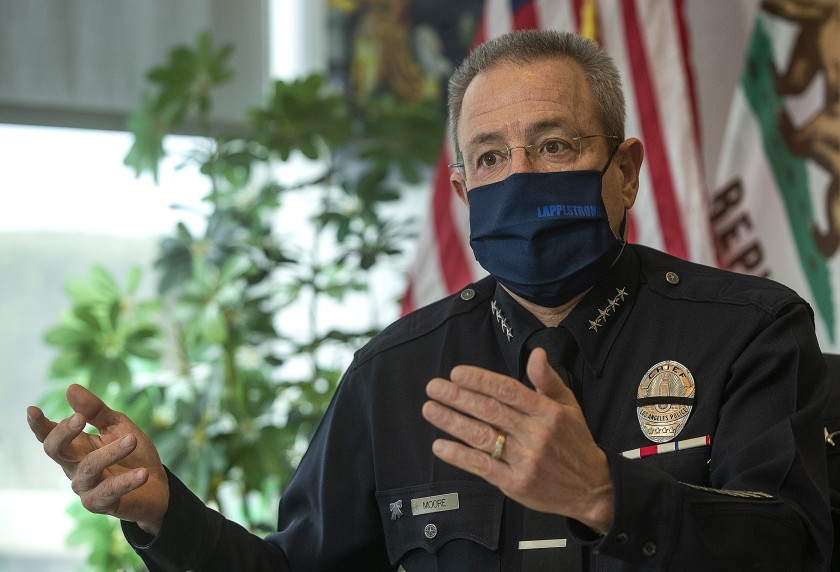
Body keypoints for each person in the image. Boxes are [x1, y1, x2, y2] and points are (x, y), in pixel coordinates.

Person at [27, 29, 832, 571]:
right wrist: (169, 513)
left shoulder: (751, 332)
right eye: (490, 157)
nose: (520, 176)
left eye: (555, 145)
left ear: (624, 170)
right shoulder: (395, 373)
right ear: (460, 190)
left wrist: (606, 496)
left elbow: (798, 547)